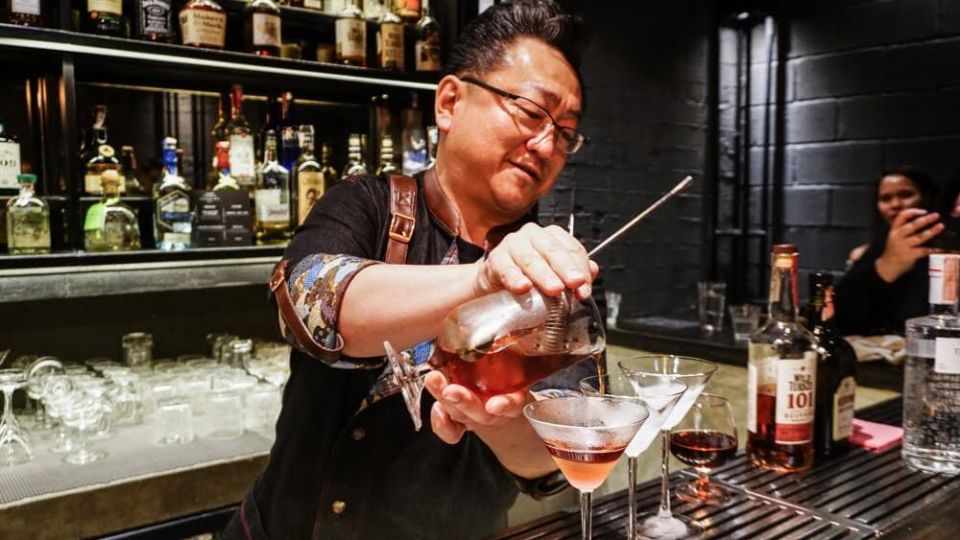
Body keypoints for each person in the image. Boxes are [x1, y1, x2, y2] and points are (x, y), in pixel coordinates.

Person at [223, 2, 597, 538]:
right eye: (531, 112)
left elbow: (557, 459)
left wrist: (498, 418)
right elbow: (309, 305)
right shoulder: (365, 204)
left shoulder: (556, 271)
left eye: (564, 132)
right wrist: (482, 280)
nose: (545, 144)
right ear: (449, 102)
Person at [834, 167, 942, 336]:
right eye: (886, 198)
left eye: (905, 195)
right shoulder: (866, 253)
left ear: (926, 196)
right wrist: (886, 266)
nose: (895, 204)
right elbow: (839, 316)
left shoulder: (945, 252)